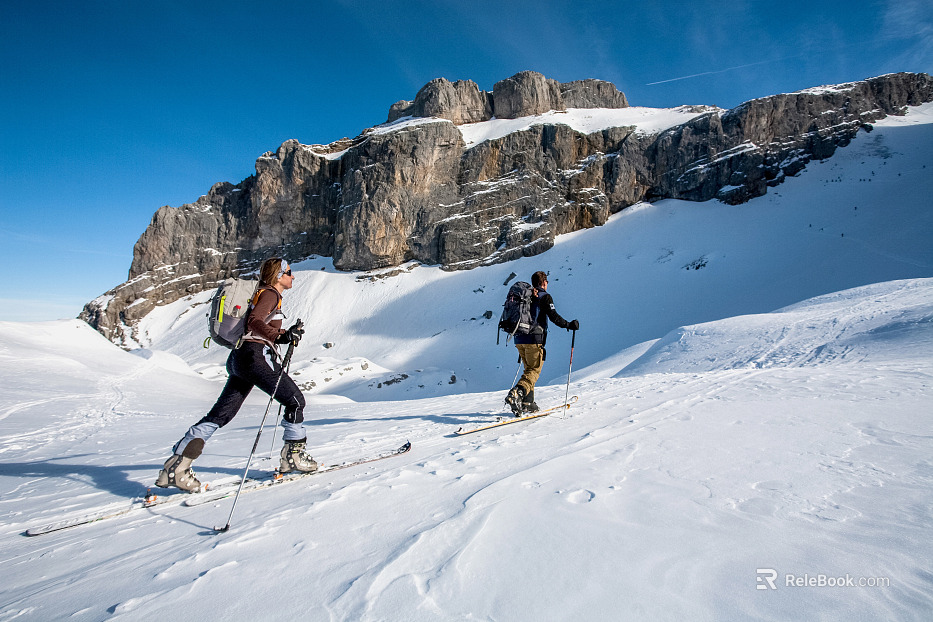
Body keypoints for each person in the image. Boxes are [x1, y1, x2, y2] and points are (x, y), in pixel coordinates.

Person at [155, 257, 316, 492]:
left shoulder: (262, 293)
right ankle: (293, 458)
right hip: (255, 357)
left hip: (240, 359)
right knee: (295, 401)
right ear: (279, 275)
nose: (293, 276)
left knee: (222, 413)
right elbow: (254, 322)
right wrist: (278, 336)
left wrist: (285, 334)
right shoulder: (270, 293)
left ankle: (177, 467)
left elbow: (260, 325)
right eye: (289, 272)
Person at [505, 270, 579, 415]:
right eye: (547, 282)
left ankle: (528, 403)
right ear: (544, 282)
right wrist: (569, 325)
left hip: (519, 338)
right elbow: (553, 316)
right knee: (534, 370)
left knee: (528, 370)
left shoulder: (526, 295)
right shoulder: (544, 296)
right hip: (534, 339)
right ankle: (517, 393)